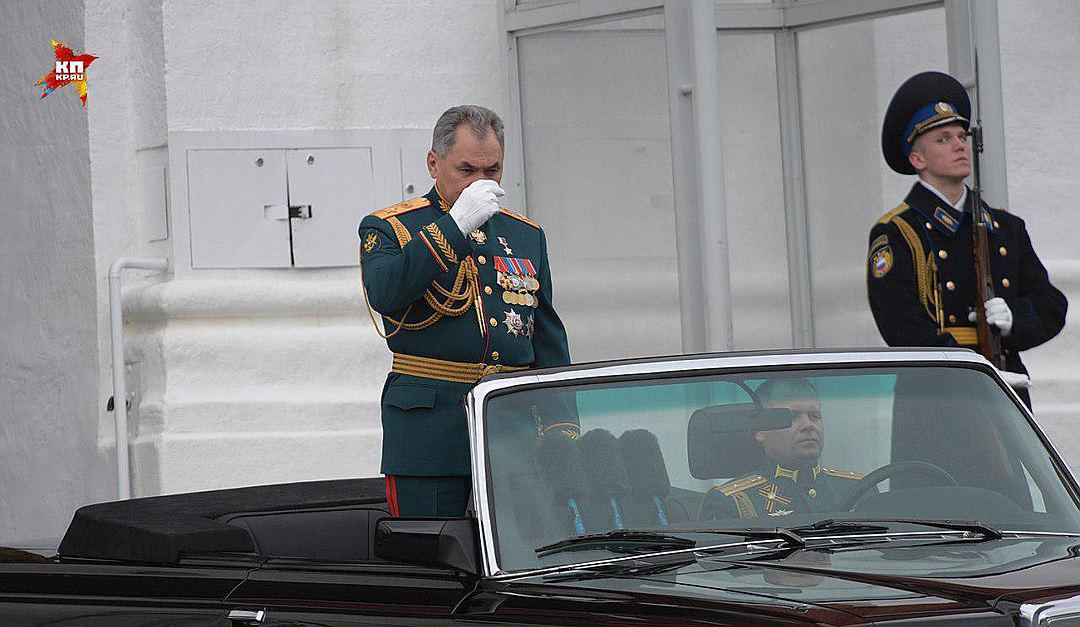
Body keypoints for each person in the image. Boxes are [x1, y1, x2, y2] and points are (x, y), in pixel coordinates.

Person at [358, 105, 577, 518]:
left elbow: (546, 338)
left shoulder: (524, 234)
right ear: (433, 163)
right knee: (433, 557)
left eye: (492, 170)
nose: (480, 182)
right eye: (466, 170)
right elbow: (385, 292)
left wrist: (560, 428)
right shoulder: (390, 227)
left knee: (525, 555)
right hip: (430, 430)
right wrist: (455, 227)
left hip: (512, 433)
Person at [868, 71, 1067, 408]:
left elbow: (1051, 304)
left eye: (961, 136)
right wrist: (973, 371)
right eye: (943, 139)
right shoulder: (898, 231)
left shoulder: (1005, 227)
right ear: (918, 159)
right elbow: (901, 325)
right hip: (937, 393)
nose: (960, 145)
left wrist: (1013, 317)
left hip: (1006, 386)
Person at [699, 378, 864, 519]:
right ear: (760, 430)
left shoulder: (858, 488)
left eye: (814, 416)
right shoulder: (731, 501)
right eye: (791, 417)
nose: (808, 425)